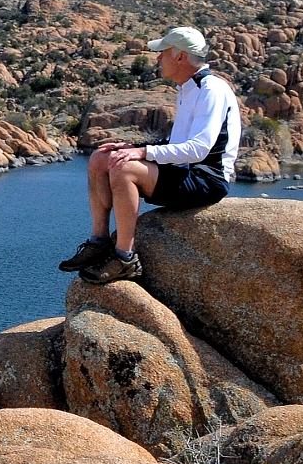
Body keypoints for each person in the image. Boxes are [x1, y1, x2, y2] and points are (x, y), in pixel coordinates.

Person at [59, 25, 239, 284]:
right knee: (102, 157)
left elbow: (199, 149)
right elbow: (178, 142)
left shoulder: (212, 90)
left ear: (181, 57)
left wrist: (142, 152)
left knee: (124, 169)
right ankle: (99, 241)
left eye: (162, 53)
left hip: (207, 179)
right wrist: (132, 147)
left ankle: (125, 257)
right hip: (185, 171)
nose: (157, 58)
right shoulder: (188, 89)